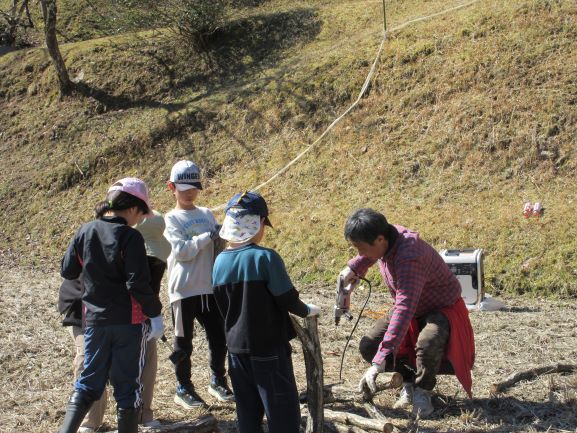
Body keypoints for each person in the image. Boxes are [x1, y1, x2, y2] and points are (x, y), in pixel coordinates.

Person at [339, 208, 475, 418]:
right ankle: (408, 380)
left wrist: (380, 361)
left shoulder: (410, 257)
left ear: (380, 239)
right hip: (412, 304)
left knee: (428, 342)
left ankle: (423, 391)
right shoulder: (387, 237)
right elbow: (371, 254)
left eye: (361, 248)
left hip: (440, 306)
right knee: (369, 345)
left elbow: (404, 308)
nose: (360, 253)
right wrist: (353, 268)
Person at [58, 178, 164, 433]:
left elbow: (68, 270)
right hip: (128, 322)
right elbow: (137, 283)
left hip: (94, 321)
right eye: (141, 213)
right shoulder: (130, 237)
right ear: (133, 208)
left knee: (88, 383)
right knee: (127, 387)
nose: (140, 219)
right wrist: (155, 314)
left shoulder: (85, 231)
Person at [212, 191, 320, 433]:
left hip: (236, 350)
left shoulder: (219, 262)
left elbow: (222, 305)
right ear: (259, 222)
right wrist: (307, 310)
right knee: (281, 412)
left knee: (248, 412)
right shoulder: (265, 258)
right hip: (268, 348)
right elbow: (287, 299)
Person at [164, 160, 234, 408]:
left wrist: (221, 234)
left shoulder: (205, 213)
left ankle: (218, 380)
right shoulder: (170, 219)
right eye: (184, 189)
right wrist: (206, 236)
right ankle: (183, 387)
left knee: (219, 337)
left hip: (209, 287)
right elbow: (181, 251)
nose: (189, 193)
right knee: (183, 341)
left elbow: (217, 247)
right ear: (172, 187)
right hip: (183, 290)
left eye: (194, 188)